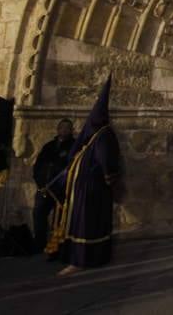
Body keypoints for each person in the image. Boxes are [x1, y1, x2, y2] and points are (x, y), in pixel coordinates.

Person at [47, 76, 120, 276]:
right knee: (84, 224)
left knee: (86, 225)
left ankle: (80, 260)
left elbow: (107, 162)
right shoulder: (95, 137)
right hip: (83, 191)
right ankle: (84, 257)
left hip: (91, 192)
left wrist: (108, 180)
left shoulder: (103, 135)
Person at [32, 118, 75, 253]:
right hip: (44, 188)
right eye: (62, 127)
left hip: (60, 190)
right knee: (38, 213)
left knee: (60, 219)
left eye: (67, 128)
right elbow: (38, 166)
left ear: (71, 130)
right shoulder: (49, 146)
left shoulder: (74, 147)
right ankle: (39, 244)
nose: (64, 130)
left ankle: (56, 246)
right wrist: (40, 184)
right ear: (58, 129)